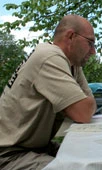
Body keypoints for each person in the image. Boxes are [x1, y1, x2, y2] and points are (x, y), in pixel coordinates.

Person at [0, 14, 97, 169]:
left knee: (93, 159)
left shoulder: (72, 63)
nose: (93, 51)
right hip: (10, 154)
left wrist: (86, 105)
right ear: (71, 36)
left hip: (36, 148)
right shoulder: (49, 57)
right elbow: (84, 112)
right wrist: (85, 105)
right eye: (90, 43)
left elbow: (89, 106)